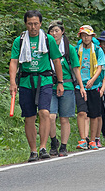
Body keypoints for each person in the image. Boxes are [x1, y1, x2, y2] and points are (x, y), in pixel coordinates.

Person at [9, 10, 65, 162]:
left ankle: (43, 147)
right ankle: (33, 150)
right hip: (26, 81)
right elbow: (14, 61)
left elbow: (56, 61)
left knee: (44, 112)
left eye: (35, 24)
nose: (33, 27)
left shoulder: (48, 39)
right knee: (29, 117)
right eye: (30, 24)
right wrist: (12, 82)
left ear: (40, 24)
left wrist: (60, 82)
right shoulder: (19, 40)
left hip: (45, 80)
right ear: (25, 24)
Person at [46, 20, 85, 156]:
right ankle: (53, 141)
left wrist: (81, 87)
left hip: (67, 86)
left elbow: (76, 68)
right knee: (50, 116)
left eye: (57, 31)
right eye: (51, 31)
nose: (54, 34)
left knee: (64, 118)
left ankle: (63, 146)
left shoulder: (69, 49)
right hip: (50, 85)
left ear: (62, 32)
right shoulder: (46, 47)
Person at [77, 25, 105, 150]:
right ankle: (83, 139)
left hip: (94, 85)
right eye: (83, 35)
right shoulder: (77, 49)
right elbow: (75, 67)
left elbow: (100, 67)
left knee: (94, 114)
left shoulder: (97, 50)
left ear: (92, 37)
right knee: (82, 112)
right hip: (80, 85)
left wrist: (92, 80)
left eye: (88, 35)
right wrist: (81, 83)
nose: (86, 38)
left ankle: (93, 139)